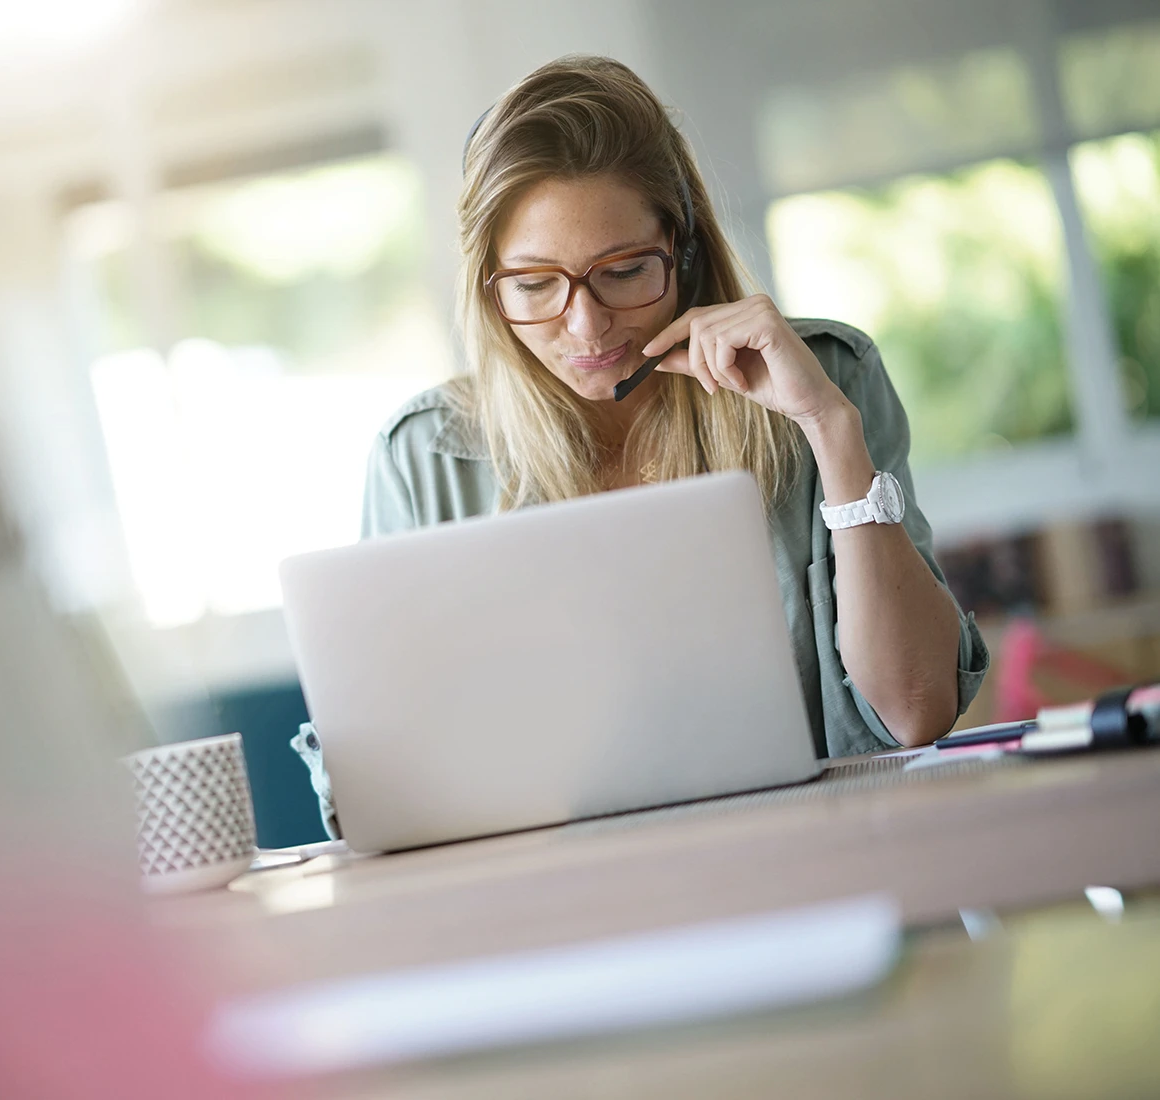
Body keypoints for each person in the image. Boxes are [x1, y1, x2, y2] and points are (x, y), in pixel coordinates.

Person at [292, 56, 988, 835]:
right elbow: (392, 792)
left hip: (830, 872)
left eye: (622, 271)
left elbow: (917, 709)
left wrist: (829, 429)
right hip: (566, 916)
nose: (586, 326)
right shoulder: (423, 458)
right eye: (534, 285)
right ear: (487, 287)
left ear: (682, 250)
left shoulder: (828, 378)